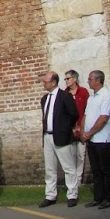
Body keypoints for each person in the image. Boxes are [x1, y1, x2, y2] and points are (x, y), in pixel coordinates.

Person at [38, 71, 81, 208]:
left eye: (45, 81)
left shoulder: (65, 96)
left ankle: (72, 194)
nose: (43, 84)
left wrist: (65, 127)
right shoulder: (44, 99)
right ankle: (50, 195)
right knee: (50, 168)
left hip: (61, 135)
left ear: (53, 82)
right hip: (47, 136)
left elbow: (73, 114)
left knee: (68, 166)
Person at [80, 70, 110, 208]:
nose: (88, 81)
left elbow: (103, 118)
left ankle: (109, 197)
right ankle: (98, 197)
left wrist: (90, 132)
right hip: (92, 139)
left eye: (90, 79)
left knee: (105, 168)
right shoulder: (91, 98)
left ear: (98, 80)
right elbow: (86, 115)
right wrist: (83, 131)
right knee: (96, 169)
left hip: (102, 138)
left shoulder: (106, 95)